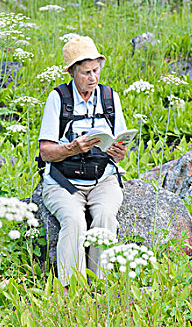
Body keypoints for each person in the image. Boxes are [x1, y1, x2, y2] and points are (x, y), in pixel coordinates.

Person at [38, 36, 128, 288]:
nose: (93, 77)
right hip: (63, 183)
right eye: (86, 72)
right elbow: (45, 152)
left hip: (104, 179)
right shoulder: (58, 99)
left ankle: (100, 285)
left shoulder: (110, 98)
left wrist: (119, 152)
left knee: (105, 217)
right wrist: (71, 148)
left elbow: (120, 143)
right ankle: (72, 288)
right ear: (72, 72)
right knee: (74, 220)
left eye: (96, 70)